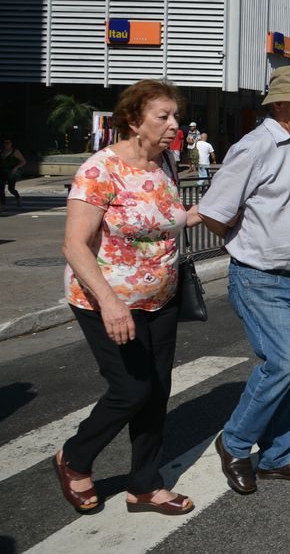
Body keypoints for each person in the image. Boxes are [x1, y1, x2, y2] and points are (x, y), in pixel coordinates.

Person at [56, 79, 201, 516]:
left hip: (161, 299)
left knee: (156, 392)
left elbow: (172, 218)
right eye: (164, 116)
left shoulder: (167, 163)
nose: (174, 124)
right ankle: (75, 458)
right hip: (104, 300)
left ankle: (145, 485)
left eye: (175, 116)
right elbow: (74, 245)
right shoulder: (100, 170)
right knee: (131, 389)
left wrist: (215, 213)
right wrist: (112, 302)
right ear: (134, 121)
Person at [197, 64, 290, 496]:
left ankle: (277, 457)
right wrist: (247, 244)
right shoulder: (254, 147)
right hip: (259, 277)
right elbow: (214, 211)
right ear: (277, 103)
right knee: (284, 364)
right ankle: (234, 443)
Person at [1, 138, 26, 210]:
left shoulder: (16, 152)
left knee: (11, 189)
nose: (6, 145)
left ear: (11, 143)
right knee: (1, 189)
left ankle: (18, 197)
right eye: (5, 143)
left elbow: (23, 161)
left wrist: (16, 168)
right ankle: (3, 205)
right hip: (2, 172)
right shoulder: (2, 151)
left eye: (8, 143)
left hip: (11, 172)